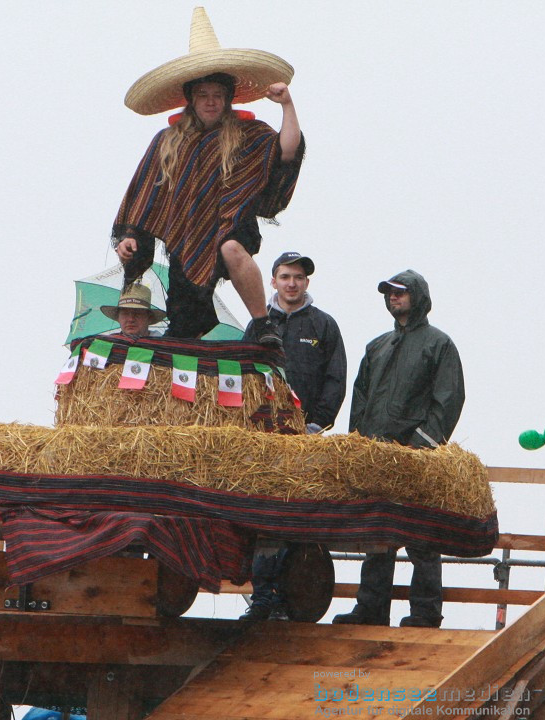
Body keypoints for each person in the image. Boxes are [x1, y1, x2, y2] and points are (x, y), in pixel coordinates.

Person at [113, 8, 303, 345]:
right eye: (203, 95)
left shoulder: (247, 133)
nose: (211, 102)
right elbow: (145, 195)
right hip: (186, 237)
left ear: (228, 98)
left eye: (217, 95)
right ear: (191, 99)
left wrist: (287, 106)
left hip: (232, 222)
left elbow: (286, 152)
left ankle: (262, 325)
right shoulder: (168, 141)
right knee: (185, 322)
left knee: (231, 247)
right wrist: (131, 236)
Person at [332, 270, 465, 628]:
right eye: (389, 292)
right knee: (377, 534)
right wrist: (357, 447)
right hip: (375, 455)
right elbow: (359, 400)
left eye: (401, 292)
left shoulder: (440, 344)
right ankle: (371, 609)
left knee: (421, 536)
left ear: (418, 296)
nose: (393, 297)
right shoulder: (377, 346)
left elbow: (448, 402)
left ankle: (424, 612)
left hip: (416, 458)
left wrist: (420, 448)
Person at [240, 251, 347, 620]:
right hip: (264, 441)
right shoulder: (257, 324)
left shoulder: (324, 326)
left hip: (306, 441)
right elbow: (239, 379)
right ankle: (262, 599)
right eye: (285, 276)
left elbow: (336, 380)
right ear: (272, 281)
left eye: (299, 277)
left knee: (298, 519)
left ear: (306, 283)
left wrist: (317, 425)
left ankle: (292, 600)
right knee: (262, 519)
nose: (292, 283)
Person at [100, 283, 167, 339]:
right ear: (118, 318)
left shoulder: (164, 347)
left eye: (137, 313)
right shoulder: (108, 345)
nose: (131, 319)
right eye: (125, 313)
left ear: (149, 318)